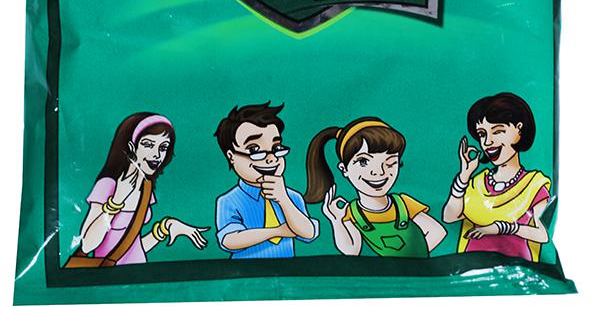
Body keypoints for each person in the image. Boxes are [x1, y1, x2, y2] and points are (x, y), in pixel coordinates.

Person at [69, 112, 210, 266]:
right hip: (110, 276)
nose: (157, 155)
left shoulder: (146, 188)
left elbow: (133, 249)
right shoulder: (107, 185)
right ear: (131, 147)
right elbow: (87, 245)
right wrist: (116, 202)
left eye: (163, 147)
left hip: (140, 273)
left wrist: (165, 228)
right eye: (148, 145)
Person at [305, 117, 446, 257]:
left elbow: (437, 231)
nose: (379, 172)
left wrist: (411, 259)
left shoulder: (403, 204)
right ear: (344, 169)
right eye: (363, 162)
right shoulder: (351, 212)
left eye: (390, 163)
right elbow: (351, 250)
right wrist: (336, 220)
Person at [442, 93, 551, 262]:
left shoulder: (533, 184)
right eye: (482, 134)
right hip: (469, 268)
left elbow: (542, 235)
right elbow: (449, 217)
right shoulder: (478, 182)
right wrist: (464, 176)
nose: (488, 142)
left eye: (498, 131)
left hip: (515, 270)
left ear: (519, 130)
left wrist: (502, 228)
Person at [214, 102, 319, 258]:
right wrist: (277, 231)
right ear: (231, 157)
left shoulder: (292, 197)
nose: (271, 159)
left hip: (287, 270)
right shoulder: (229, 200)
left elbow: (309, 233)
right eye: (254, 149)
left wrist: (283, 199)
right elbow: (229, 240)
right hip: (244, 271)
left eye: (276, 148)